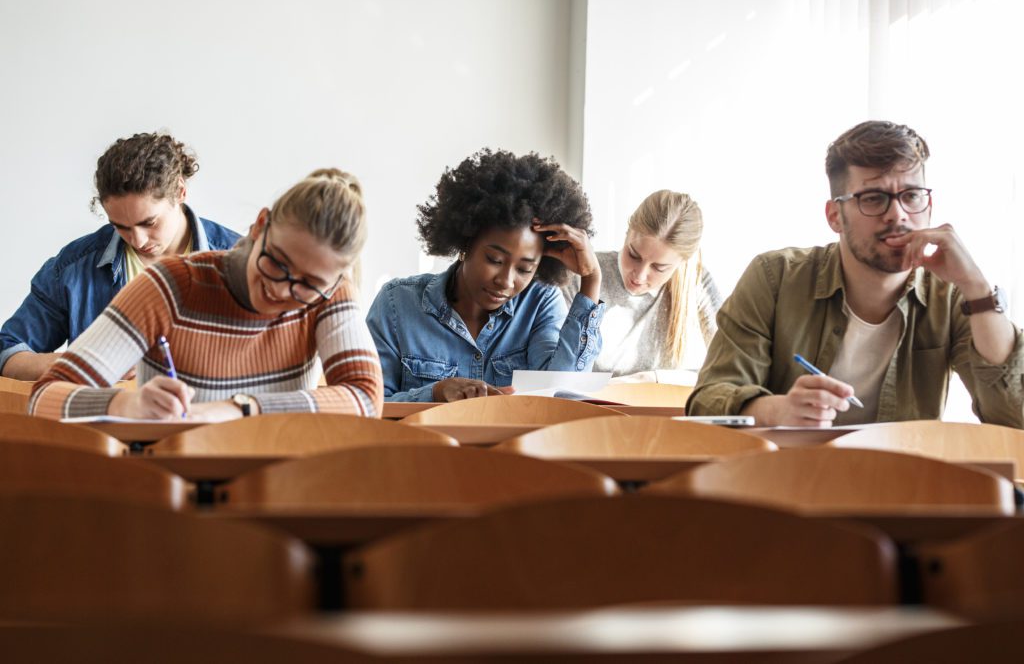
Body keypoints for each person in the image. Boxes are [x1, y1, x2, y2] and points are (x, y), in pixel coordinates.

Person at [687, 120, 1024, 428]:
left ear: (929, 206)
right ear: (835, 215)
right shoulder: (775, 278)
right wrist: (777, 410)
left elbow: (1013, 418)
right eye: (874, 198)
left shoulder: (951, 296)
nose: (898, 214)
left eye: (911, 196)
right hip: (788, 480)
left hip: (901, 486)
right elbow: (706, 402)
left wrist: (978, 289)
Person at [29, 169, 383, 421]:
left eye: (307, 284)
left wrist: (241, 408)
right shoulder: (170, 285)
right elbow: (44, 396)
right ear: (260, 225)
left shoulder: (330, 294)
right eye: (277, 263)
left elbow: (366, 399)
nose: (280, 289)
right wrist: (124, 405)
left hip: (276, 493)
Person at [366, 148, 605, 402]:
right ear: (466, 243)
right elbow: (370, 407)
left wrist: (591, 279)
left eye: (524, 269)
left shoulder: (539, 302)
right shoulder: (397, 304)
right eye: (494, 260)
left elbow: (562, 397)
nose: (506, 280)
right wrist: (434, 393)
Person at [0, 133, 240, 381]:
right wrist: (80, 362)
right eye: (120, 226)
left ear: (180, 192)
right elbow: (8, 352)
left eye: (149, 223)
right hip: (106, 418)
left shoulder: (240, 260)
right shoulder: (74, 268)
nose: (138, 241)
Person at [561, 190, 722, 379]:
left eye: (659, 267)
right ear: (627, 232)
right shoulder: (580, 274)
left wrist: (653, 379)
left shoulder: (696, 283)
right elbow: (557, 370)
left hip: (661, 406)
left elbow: (729, 368)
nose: (639, 275)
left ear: (681, 262)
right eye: (634, 255)